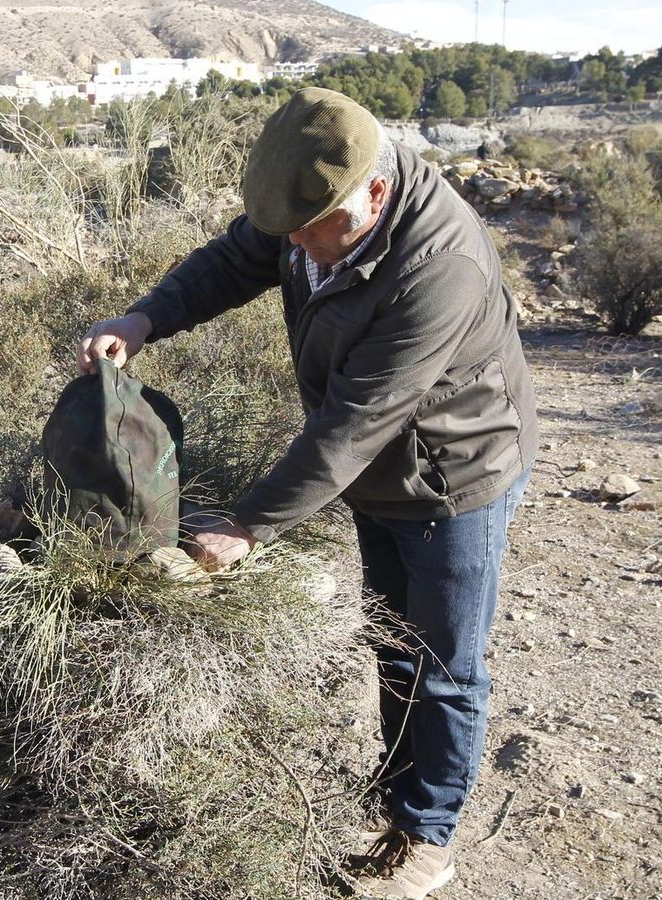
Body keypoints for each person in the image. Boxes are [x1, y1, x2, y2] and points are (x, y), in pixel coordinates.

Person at [75, 88, 537, 900]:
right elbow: (234, 260)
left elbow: (353, 427)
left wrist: (249, 525)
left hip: (456, 477)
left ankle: (428, 837)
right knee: (394, 646)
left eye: (319, 236)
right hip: (379, 477)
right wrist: (148, 317)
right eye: (293, 237)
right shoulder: (316, 205)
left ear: (378, 194)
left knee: (446, 667)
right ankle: (395, 803)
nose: (304, 253)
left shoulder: (439, 268)